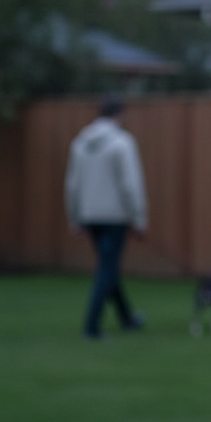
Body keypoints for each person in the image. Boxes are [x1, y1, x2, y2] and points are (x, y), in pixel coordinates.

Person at [65, 98, 148, 339]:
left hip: (90, 215)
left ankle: (127, 318)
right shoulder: (122, 143)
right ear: (119, 115)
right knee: (107, 269)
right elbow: (130, 185)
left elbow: (72, 184)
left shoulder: (80, 143)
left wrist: (74, 216)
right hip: (115, 217)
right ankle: (91, 327)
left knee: (108, 267)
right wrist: (139, 218)